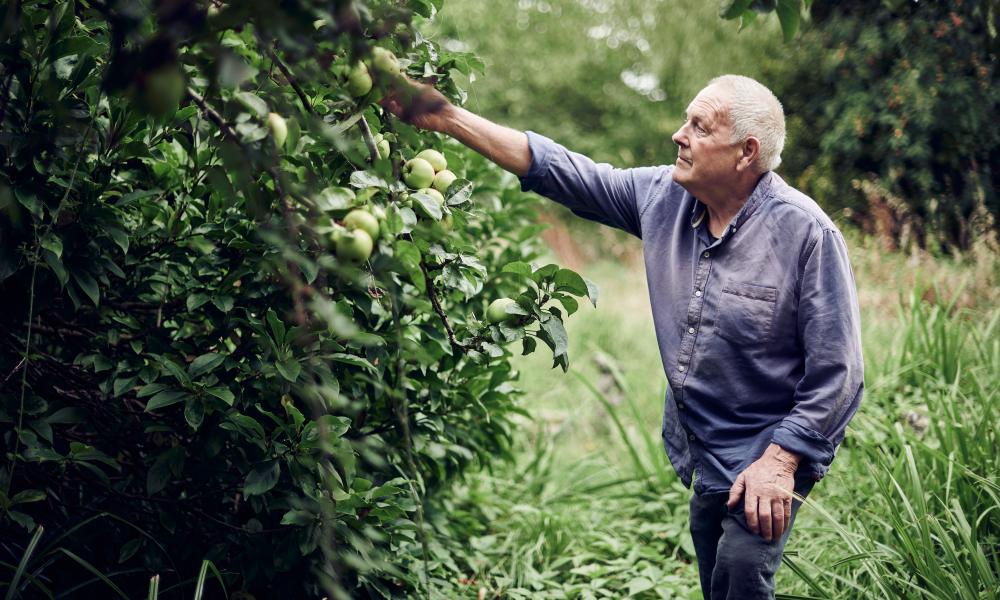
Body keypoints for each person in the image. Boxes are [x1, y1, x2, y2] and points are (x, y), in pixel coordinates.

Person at [382, 73, 864, 600]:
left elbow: (839, 371)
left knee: (741, 567)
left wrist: (780, 461)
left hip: (770, 445)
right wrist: (444, 116)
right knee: (715, 570)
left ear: (745, 152)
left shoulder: (806, 234)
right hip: (702, 443)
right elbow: (565, 172)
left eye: (698, 127)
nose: (679, 135)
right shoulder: (663, 198)